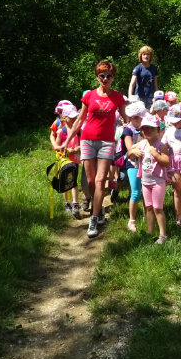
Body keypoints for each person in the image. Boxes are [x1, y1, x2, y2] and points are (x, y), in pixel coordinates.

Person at [63, 60, 129, 238]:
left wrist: (139, 132)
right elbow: (79, 120)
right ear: (97, 77)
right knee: (90, 182)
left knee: (100, 181)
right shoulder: (89, 96)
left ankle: (94, 217)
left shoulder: (118, 97)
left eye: (109, 75)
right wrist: (67, 141)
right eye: (102, 75)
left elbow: (127, 119)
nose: (105, 79)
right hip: (87, 141)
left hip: (107, 142)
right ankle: (98, 208)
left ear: (113, 77)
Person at [128, 115, 171, 244]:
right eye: (145, 128)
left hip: (157, 182)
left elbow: (167, 162)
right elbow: (128, 154)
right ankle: (150, 232)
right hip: (145, 182)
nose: (147, 131)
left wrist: (155, 154)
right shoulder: (141, 144)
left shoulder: (160, 146)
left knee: (157, 208)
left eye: (151, 128)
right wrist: (133, 153)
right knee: (149, 207)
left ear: (158, 130)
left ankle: (163, 235)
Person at [55, 105, 82, 217]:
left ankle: (75, 204)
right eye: (71, 117)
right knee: (65, 181)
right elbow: (57, 146)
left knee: (73, 181)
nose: (74, 119)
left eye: (75, 117)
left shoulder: (79, 131)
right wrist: (65, 149)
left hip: (75, 160)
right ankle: (67, 203)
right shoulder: (62, 131)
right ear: (64, 118)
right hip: (64, 160)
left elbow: (83, 143)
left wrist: (77, 148)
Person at [122, 101, 146, 231]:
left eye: (141, 117)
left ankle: (147, 217)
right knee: (136, 192)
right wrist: (139, 147)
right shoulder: (127, 130)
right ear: (132, 118)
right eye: (137, 117)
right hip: (133, 164)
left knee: (146, 192)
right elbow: (129, 148)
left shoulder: (145, 128)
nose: (140, 120)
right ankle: (132, 220)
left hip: (146, 163)